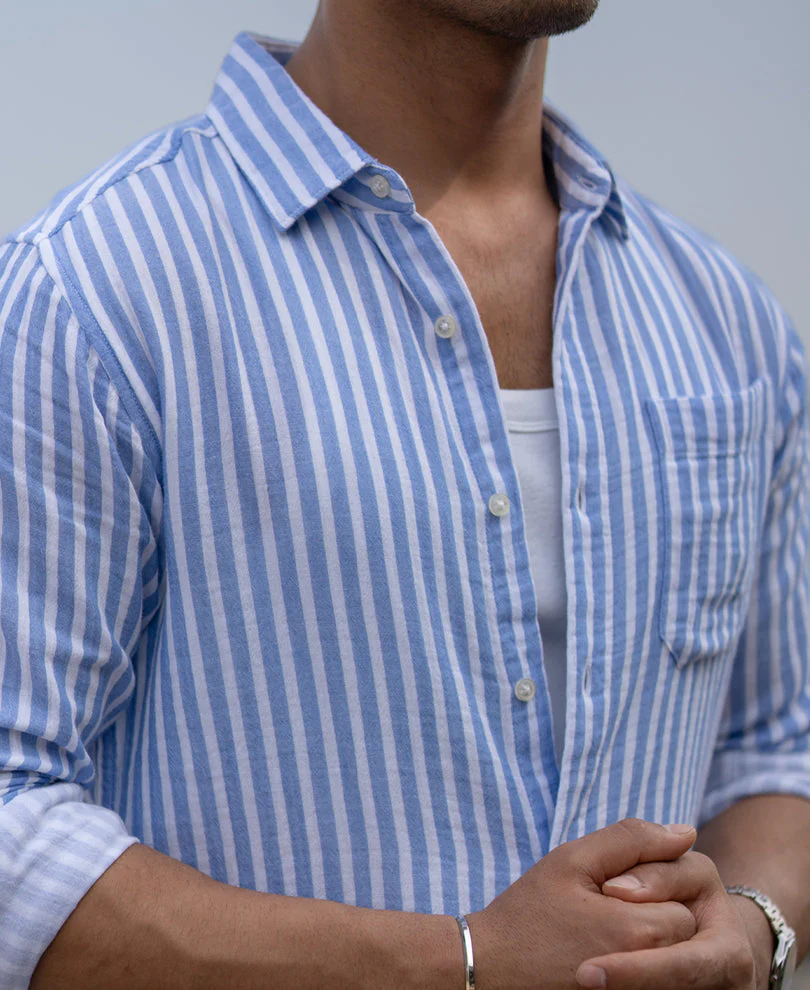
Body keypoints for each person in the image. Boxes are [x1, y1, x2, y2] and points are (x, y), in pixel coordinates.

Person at [0, 0, 808, 986]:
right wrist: (464, 961)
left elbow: (777, 749)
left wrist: (757, 926)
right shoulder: (89, 296)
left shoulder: (727, 324)